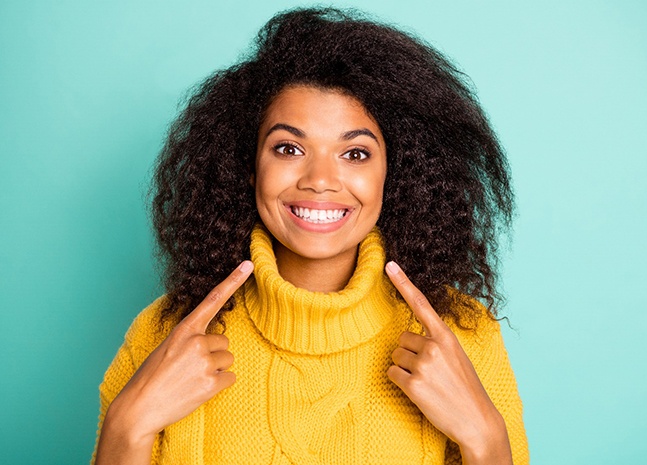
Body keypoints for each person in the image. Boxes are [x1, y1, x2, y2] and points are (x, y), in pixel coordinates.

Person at [92, 7, 529, 465]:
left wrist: (484, 437)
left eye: (356, 153)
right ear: (247, 165)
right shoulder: (163, 334)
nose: (320, 179)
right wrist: (129, 424)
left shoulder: (464, 337)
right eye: (289, 148)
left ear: (397, 175)